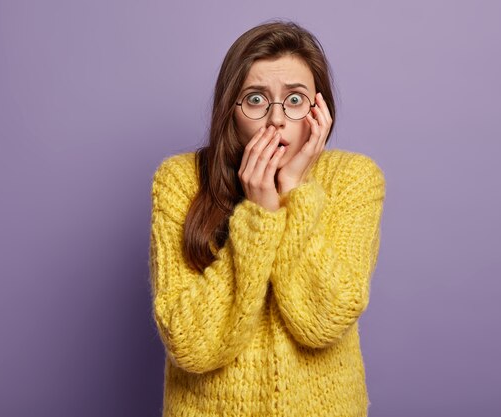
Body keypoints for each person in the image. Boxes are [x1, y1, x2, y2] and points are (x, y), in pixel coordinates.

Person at [149, 20, 386, 417]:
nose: (276, 120)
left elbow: (323, 321)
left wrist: (293, 192)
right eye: (256, 99)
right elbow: (190, 344)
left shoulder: (353, 179)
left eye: (295, 100)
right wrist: (259, 215)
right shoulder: (180, 180)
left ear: (319, 111)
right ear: (231, 111)